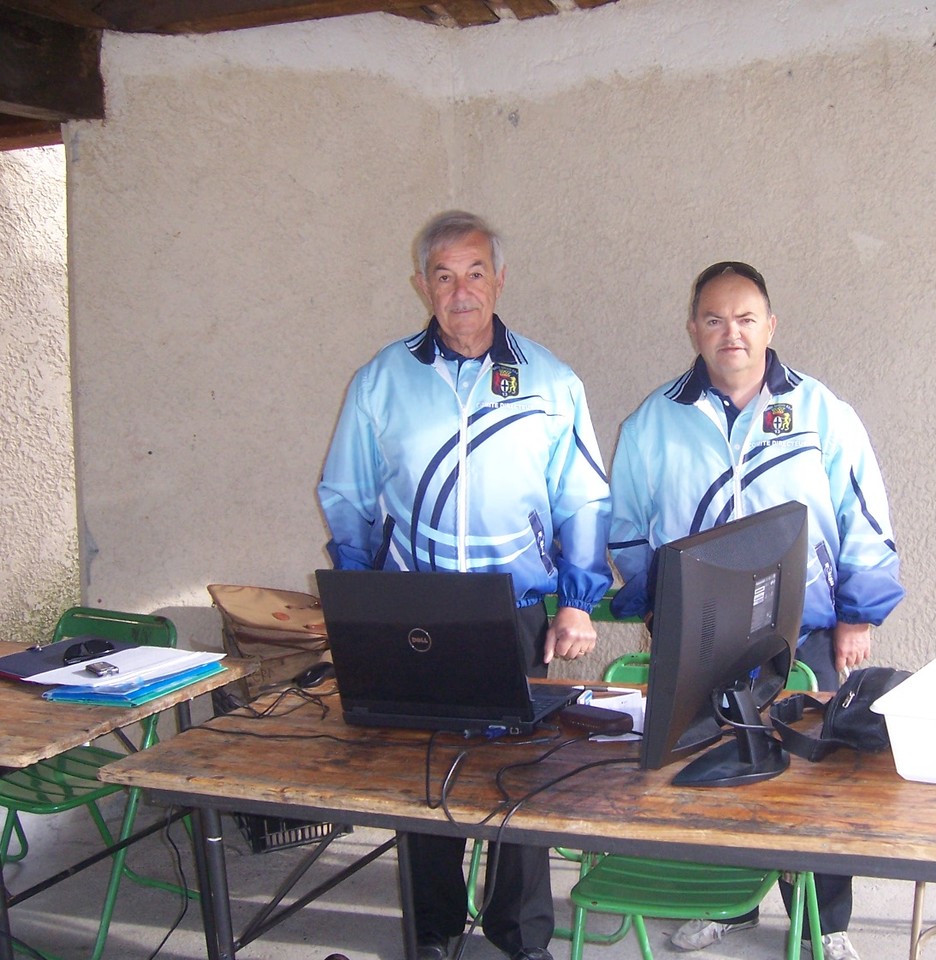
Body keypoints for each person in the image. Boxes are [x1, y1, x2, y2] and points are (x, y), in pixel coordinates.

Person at [317, 210, 611, 960]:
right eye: (444, 276)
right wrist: (359, 604)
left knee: (520, 776)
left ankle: (519, 938)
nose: (461, 290)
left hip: (514, 614)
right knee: (422, 776)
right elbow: (349, 494)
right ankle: (434, 931)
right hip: (419, 612)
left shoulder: (550, 380)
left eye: (475, 272)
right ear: (422, 285)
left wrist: (577, 600)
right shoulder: (382, 380)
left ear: (499, 279)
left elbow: (582, 497)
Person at [607, 261, 905, 960]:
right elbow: (626, 525)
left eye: (745, 319)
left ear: (770, 326)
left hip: (805, 631)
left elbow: (865, 517)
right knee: (713, 769)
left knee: (817, 780)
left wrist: (857, 617)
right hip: (704, 637)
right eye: (714, 319)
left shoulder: (822, 412)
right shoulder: (656, 421)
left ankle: (826, 925)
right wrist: (649, 606)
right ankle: (726, 904)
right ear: (694, 329)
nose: (730, 333)